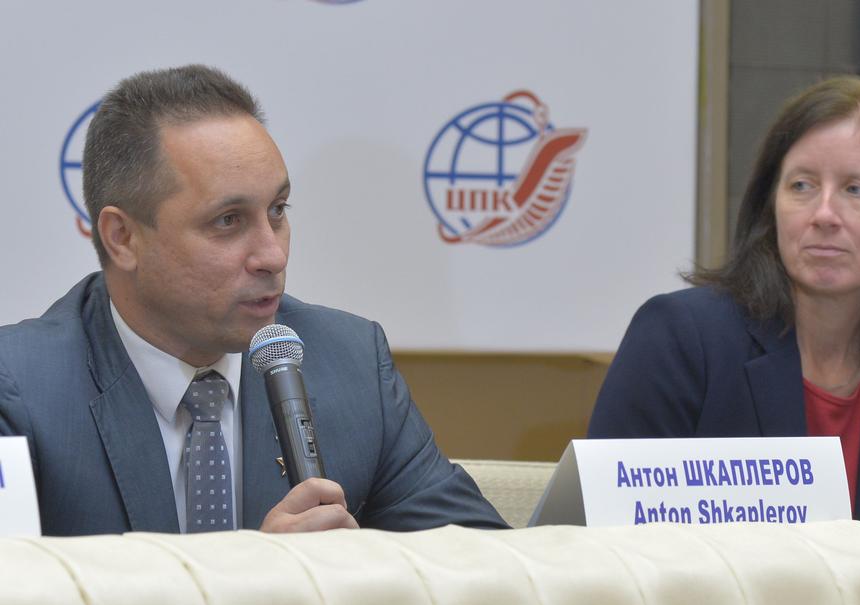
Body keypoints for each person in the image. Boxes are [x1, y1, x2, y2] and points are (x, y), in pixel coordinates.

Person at [0, 65, 507, 535]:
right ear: (123, 237)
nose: (272, 254)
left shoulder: (350, 362)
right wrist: (253, 582)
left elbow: (481, 566)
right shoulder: (21, 390)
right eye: (228, 221)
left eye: (278, 210)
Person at [589, 76, 860, 521]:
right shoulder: (681, 340)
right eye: (801, 186)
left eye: (856, 190)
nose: (823, 215)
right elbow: (609, 535)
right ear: (771, 204)